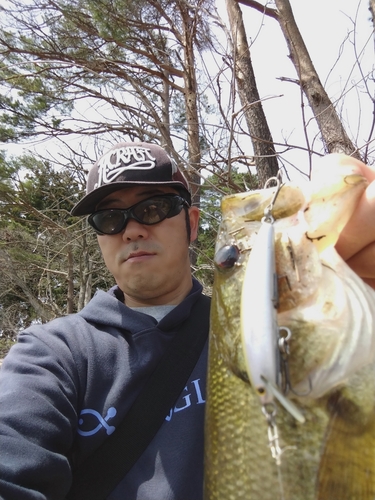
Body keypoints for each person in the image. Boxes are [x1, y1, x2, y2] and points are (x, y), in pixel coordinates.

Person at [0, 141, 374, 500]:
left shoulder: (263, 323)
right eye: (110, 218)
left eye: (153, 208)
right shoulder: (50, 354)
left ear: (192, 224)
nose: (132, 230)